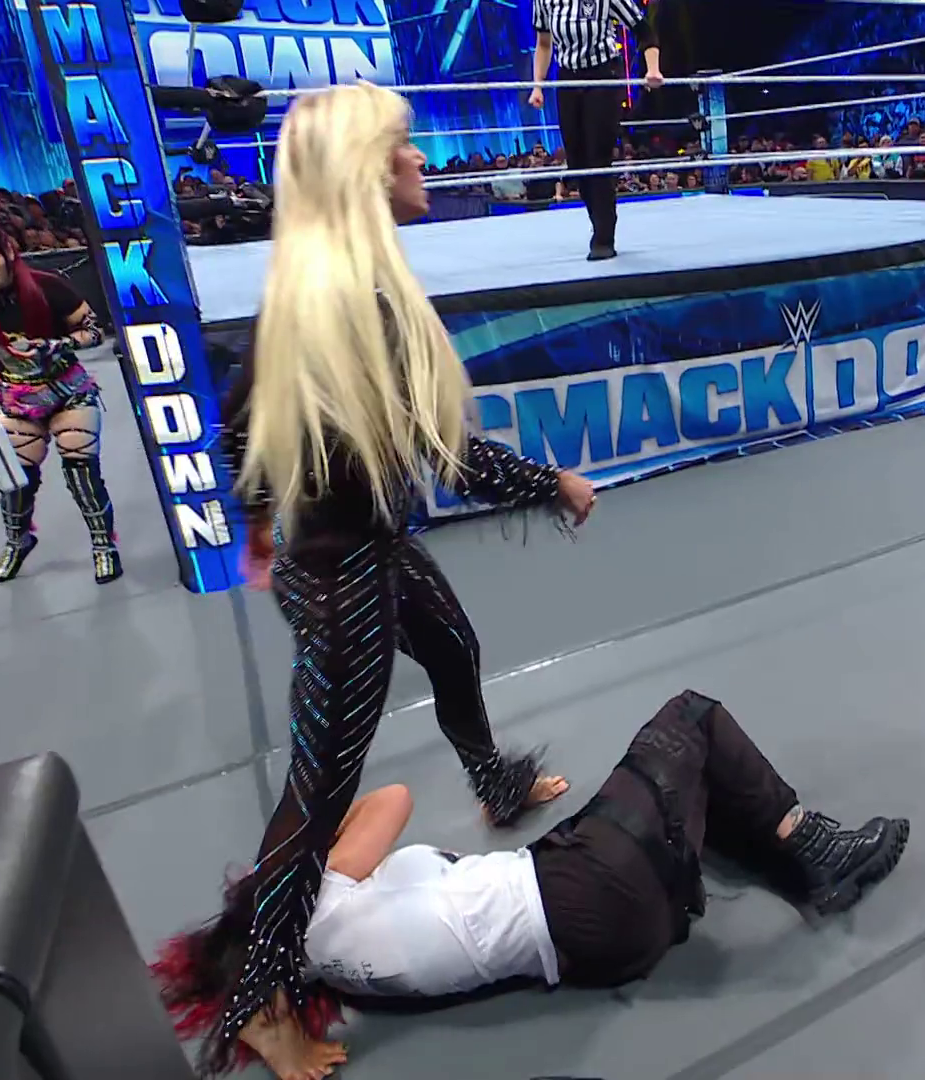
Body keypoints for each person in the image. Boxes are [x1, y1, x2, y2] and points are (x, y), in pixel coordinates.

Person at [202, 81, 599, 1075]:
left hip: (355, 548)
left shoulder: (322, 287)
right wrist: (553, 483)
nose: (421, 160)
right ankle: (258, 1000)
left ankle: (495, 783)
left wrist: (262, 527)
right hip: (343, 579)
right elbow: (452, 458)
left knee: (454, 649)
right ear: (366, 172)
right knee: (316, 797)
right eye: (404, 148)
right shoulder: (353, 304)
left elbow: (241, 422)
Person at [154, 691, 911, 1080]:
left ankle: (781, 854)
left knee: (692, 789)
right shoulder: (317, 907)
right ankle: (818, 852)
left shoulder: (350, 977)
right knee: (692, 719)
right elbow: (387, 800)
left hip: (604, 941)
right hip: (590, 887)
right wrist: (301, 854)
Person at [0, 222, 120, 583]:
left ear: (8, 251)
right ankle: (18, 540)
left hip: (67, 389)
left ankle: (104, 544)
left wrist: (56, 345)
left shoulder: (47, 286)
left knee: (81, 469)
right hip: (16, 395)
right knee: (15, 478)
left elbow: (93, 330)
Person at [528, 0, 663, 260]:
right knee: (577, 162)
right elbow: (544, 43)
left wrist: (653, 69)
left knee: (598, 156)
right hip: (568, 78)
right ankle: (598, 222)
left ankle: (604, 235)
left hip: (603, 73)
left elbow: (643, 29)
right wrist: (538, 86)